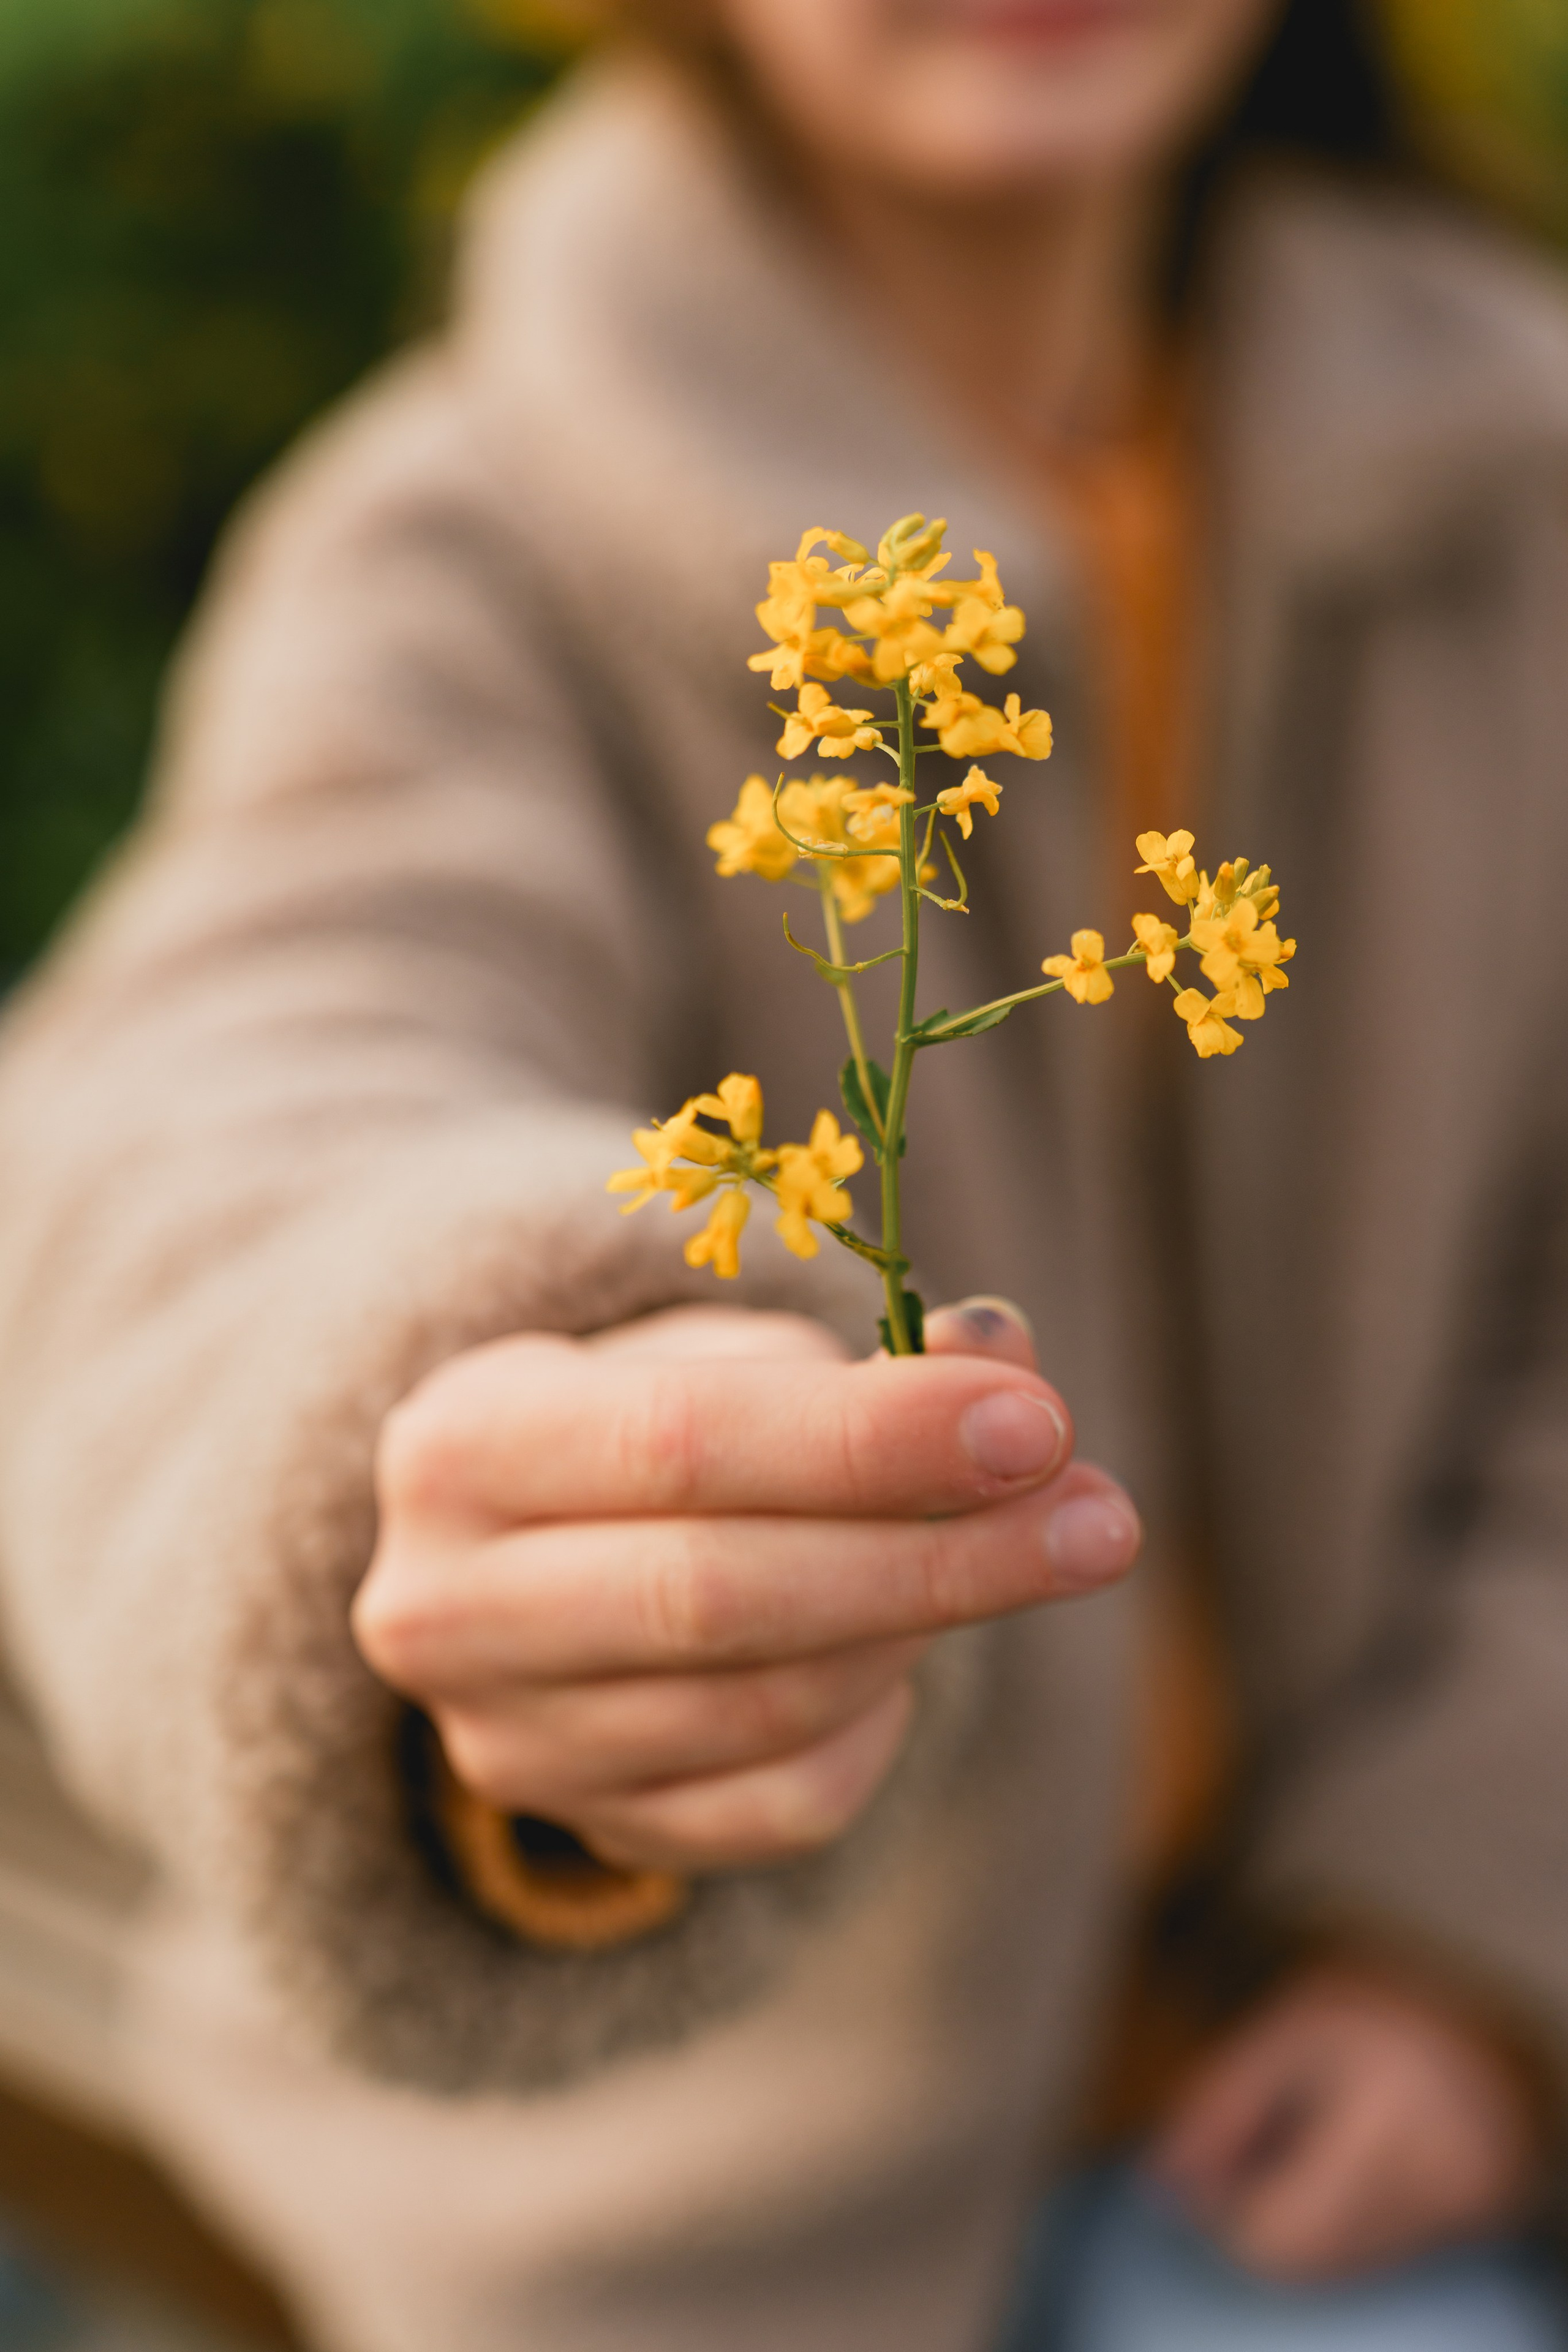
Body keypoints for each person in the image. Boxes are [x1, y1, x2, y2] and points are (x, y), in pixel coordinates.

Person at [0, 1, 1565, 2347]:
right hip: (693, 2216)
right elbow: (214, 1101)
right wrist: (410, 1421)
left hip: (1309, 2095)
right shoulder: (469, 542)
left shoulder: (1517, 481)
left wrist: (1476, 1918)